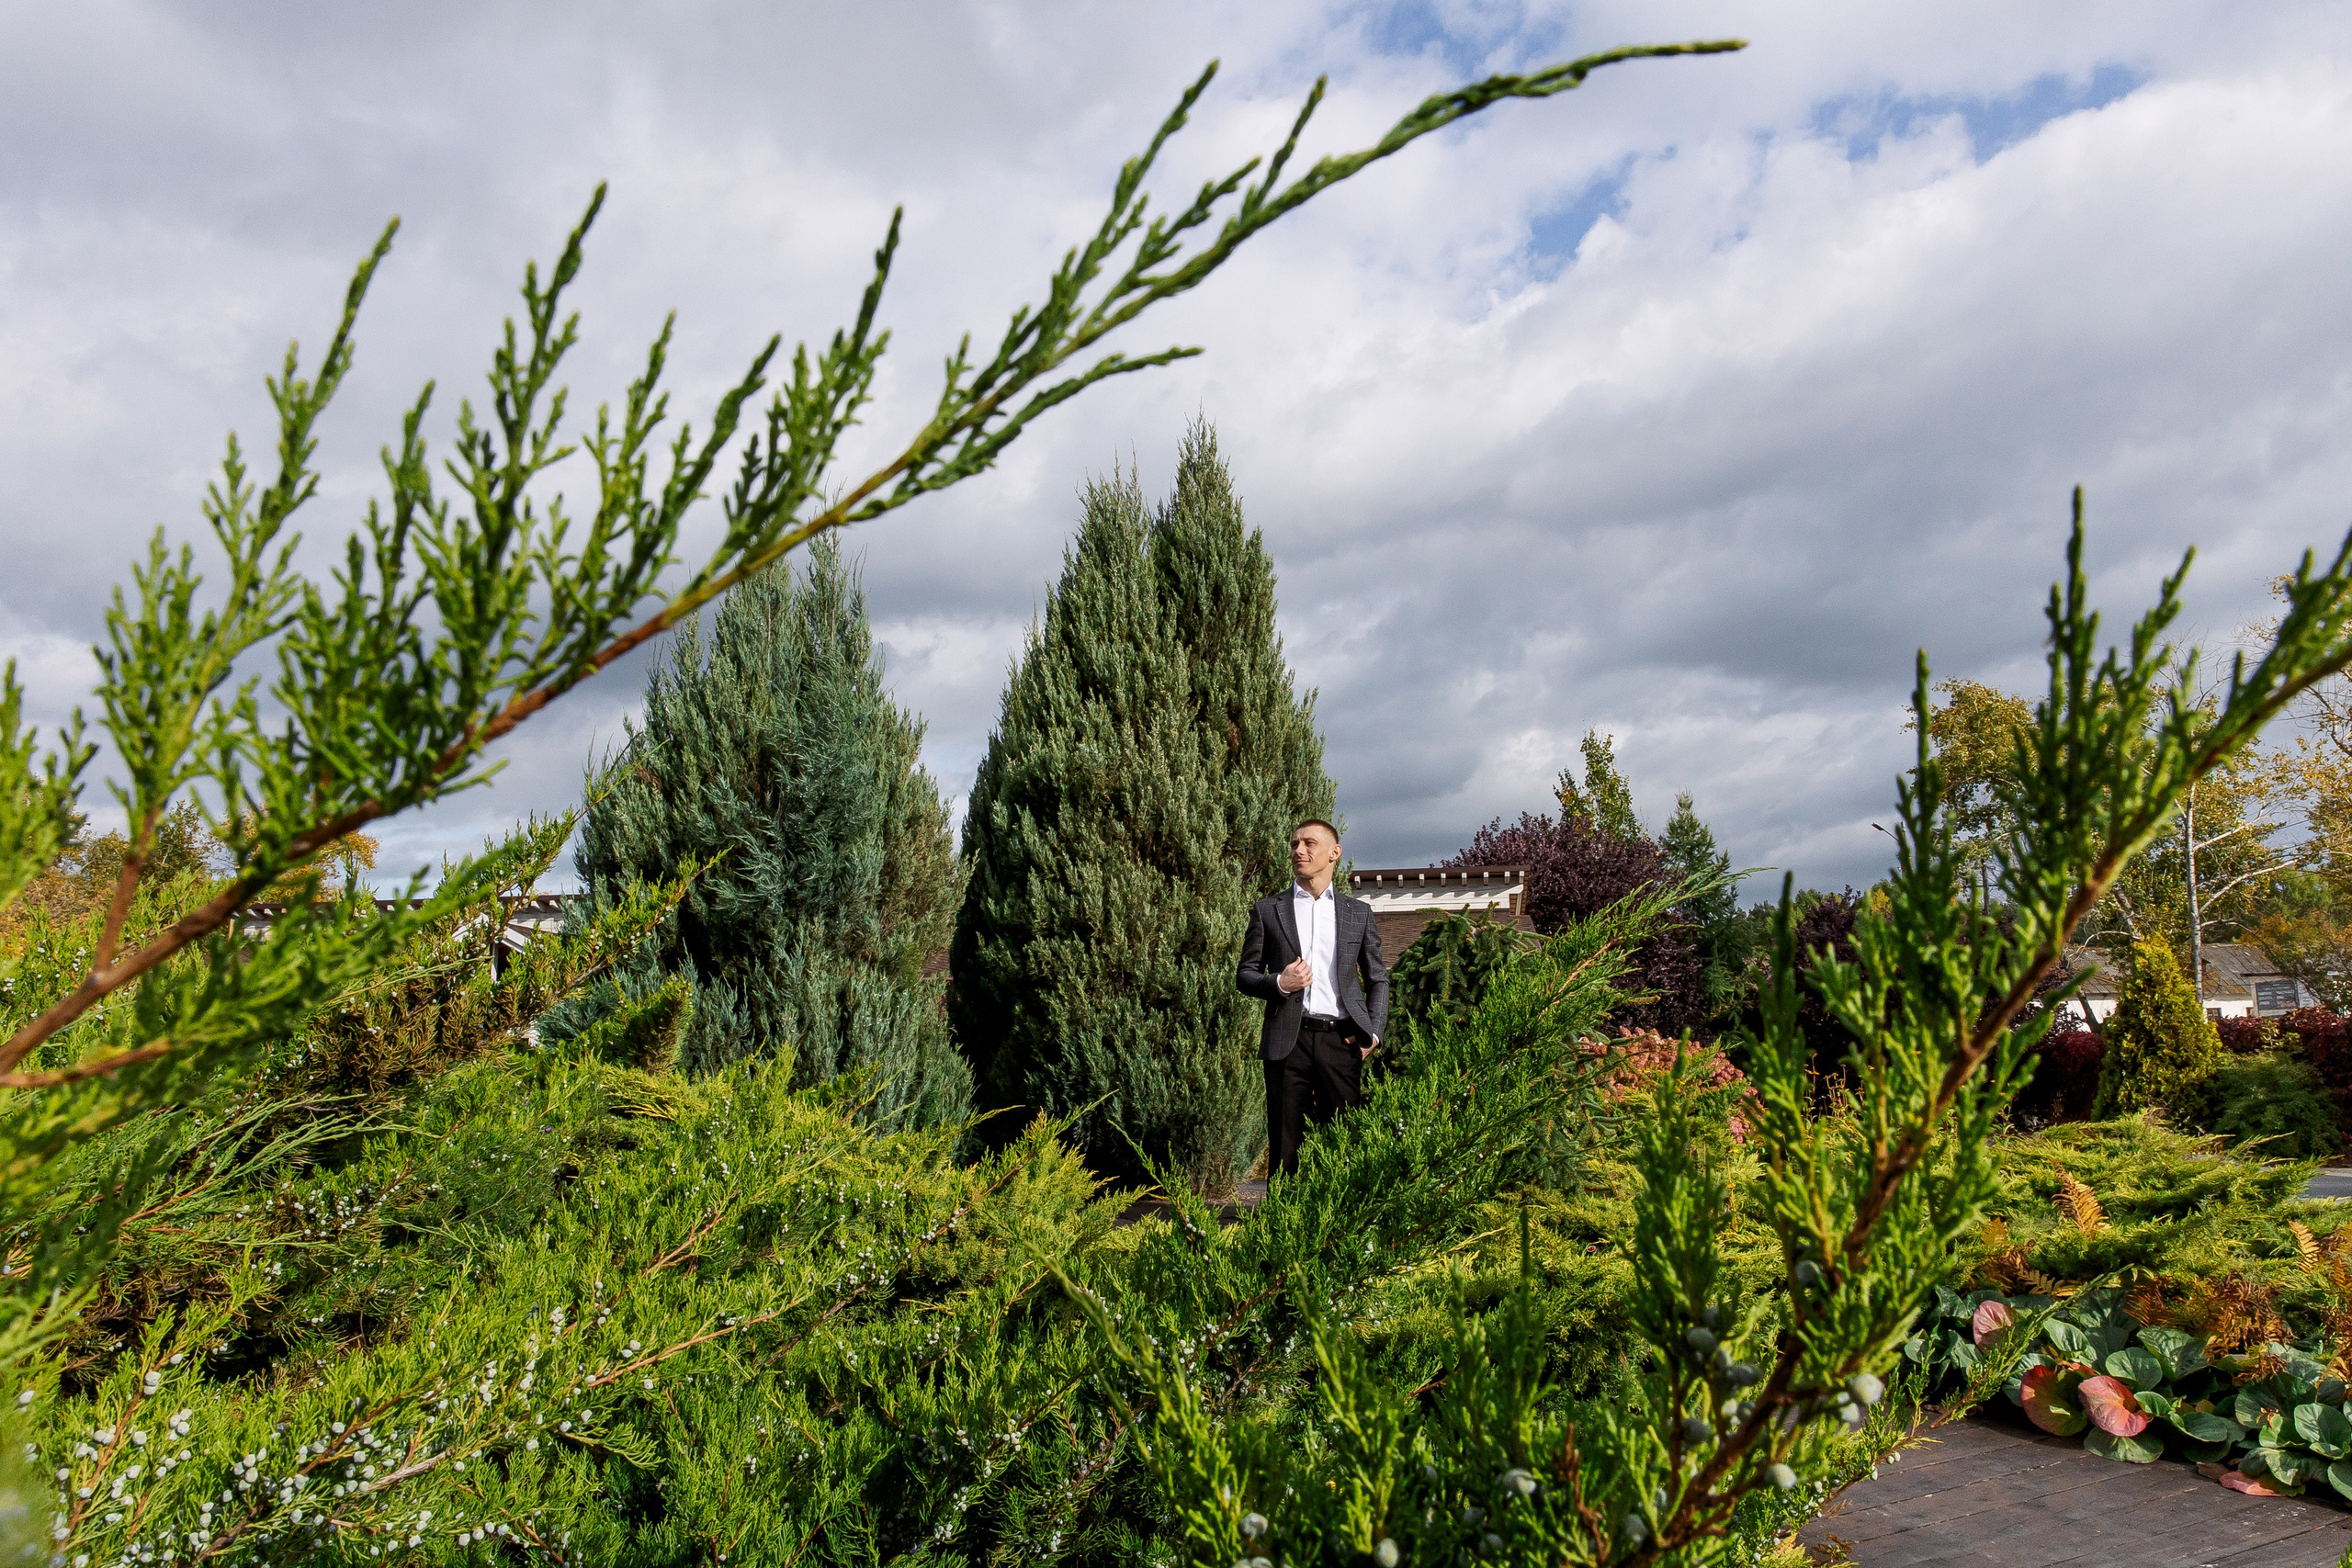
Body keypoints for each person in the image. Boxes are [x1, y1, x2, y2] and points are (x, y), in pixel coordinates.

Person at [1236, 818, 1389, 1178]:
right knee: (1286, 1148)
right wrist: (1280, 982)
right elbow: (1244, 976)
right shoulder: (1269, 910)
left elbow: (1378, 979)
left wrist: (1374, 1032)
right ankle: (1280, 1229)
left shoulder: (1358, 913)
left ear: (1334, 853)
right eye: (1294, 844)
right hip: (1288, 1042)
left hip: (1342, 1040)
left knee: (1346, 1146)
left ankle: (1343, 1228)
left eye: (1309, 844)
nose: (1298, 851)